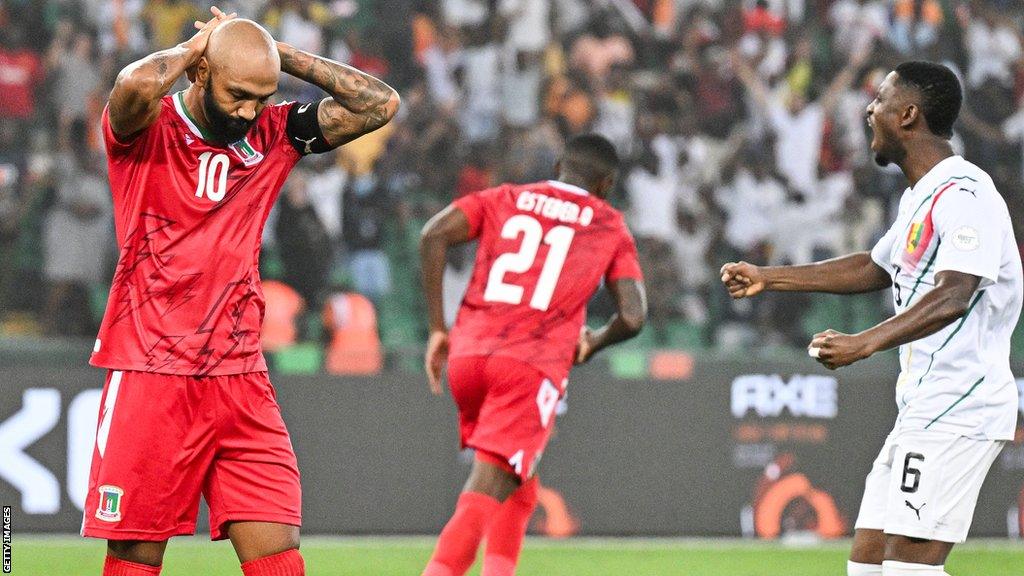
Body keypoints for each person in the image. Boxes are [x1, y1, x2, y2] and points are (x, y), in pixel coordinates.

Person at [81, 7, 399, 576]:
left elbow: (379, 104)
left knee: (278, 551)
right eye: (238, 95)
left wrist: (275, 53)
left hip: (240, 377)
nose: (250, 110)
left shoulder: (274, 133)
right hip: (152, 370)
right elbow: (132, 85)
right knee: (134, 556)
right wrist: (202, 45)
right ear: (201, 75)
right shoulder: (145, 131)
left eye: (263, 95)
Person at [721, 62, 1022, 576]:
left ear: (907, 115)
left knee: (908, 570)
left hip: (960, 403)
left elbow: (954, 295)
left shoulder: (966, 195)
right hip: (924, 405)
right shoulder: (918, 198)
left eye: (880, 99)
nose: (868, 109)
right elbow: (872, 267)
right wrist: (769, 276)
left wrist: (865, 343)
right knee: (868, 565)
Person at [419, 133, 647, 576]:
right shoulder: (608, 223)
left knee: (517, 481)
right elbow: (634, 316)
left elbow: (433, 235)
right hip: (528, 365)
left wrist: (436, 329)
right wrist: (594, 342)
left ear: (561, 164)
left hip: (468, 357)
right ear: (606, 185)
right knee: (485, 488)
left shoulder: (505, 197)